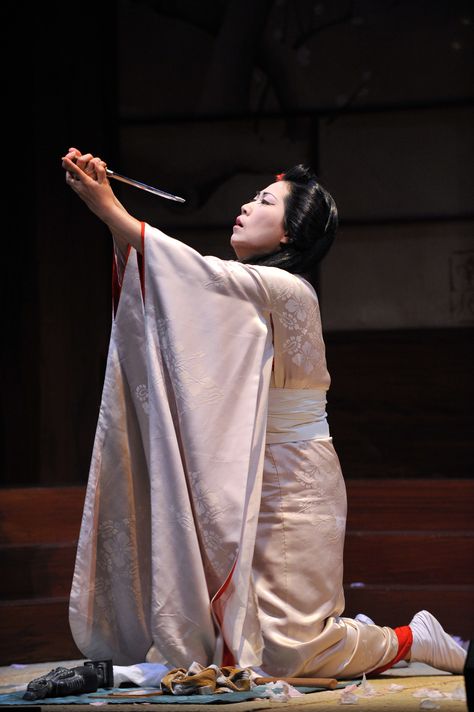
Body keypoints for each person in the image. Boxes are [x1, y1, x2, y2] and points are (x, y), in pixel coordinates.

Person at [61, 148, 466, 680]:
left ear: (289, 235)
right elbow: (163, 278)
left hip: (297, 480)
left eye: (265, 200)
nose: (247, 206)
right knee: (262, 648)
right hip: (251, 469)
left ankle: (410, 638)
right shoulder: (246, 288)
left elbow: (189, 274)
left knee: (293, 651)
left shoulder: (288, 288)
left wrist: (109, 207)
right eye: (253, 197)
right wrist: (113, 217)